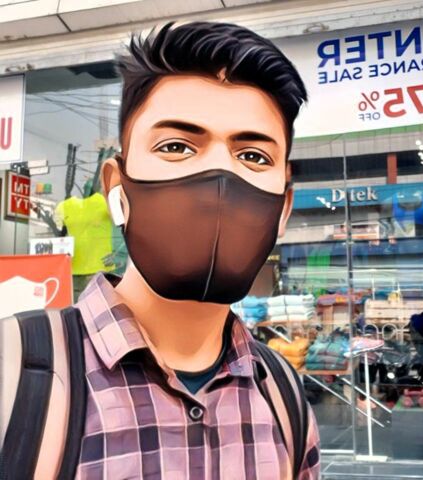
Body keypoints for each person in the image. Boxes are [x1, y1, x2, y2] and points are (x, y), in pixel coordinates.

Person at [2, 22, 320, 479]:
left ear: (283, 208)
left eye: (253, 156)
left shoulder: (284, 396)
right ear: (117, 187)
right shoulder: (14, 374)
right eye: (176, 146)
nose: (220, 175)